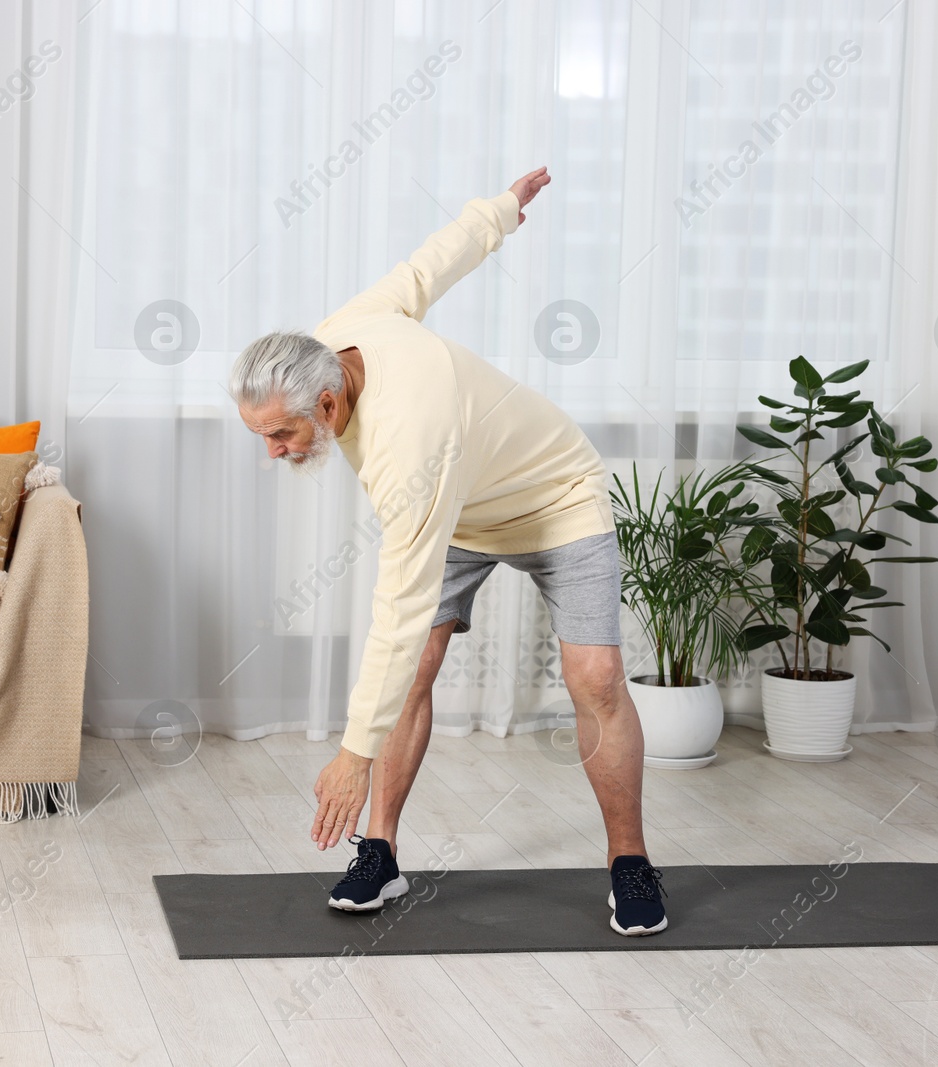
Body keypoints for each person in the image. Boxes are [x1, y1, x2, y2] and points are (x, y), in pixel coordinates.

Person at [229, 167, 666, 936]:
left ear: (327, 402)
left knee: (594, 675)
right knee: (417, 670)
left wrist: (352, 752)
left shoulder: (409, 443)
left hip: (554, 495)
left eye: (281, 435)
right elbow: (429, 265)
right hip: (465, 506)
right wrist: (498, 212)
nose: (273, 451)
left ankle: (629, 860)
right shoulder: (344, 334)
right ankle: (382, 853)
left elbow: (397, 608)